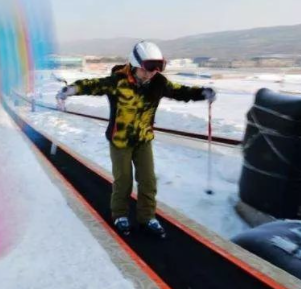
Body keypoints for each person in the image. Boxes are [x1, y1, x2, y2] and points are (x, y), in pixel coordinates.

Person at [56, 41, 216, 237]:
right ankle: (120, 214)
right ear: (135, 64)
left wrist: (202, 93)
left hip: (143, 139)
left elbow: (180, 91)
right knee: (123, 181)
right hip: (120, 140)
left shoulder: (159, 83)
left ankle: (147, 216)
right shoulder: (118, 82)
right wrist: (70, 90)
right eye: (147, 68)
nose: (152, 73)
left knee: (148, 181)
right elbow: (93, 85)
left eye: (157, 68)